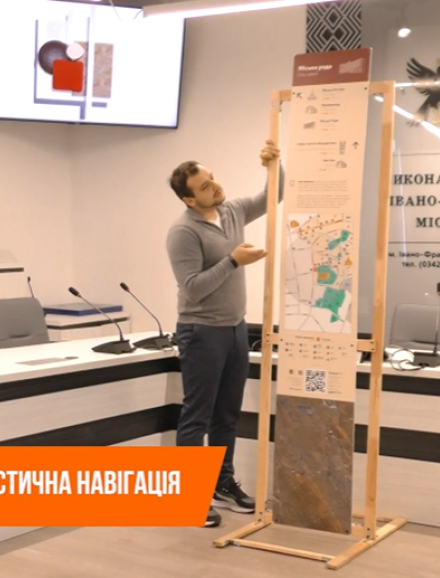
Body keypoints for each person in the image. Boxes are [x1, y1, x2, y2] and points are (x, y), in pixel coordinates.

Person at [166, 140, 282, 528]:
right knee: (197, 417)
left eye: (212, 178)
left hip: (235, 329)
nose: (214, 186)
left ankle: (221, 483)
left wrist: (273, 164)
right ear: (189, 199)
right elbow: (193, 288)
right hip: (201, 332)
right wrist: (233, 260)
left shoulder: (231, 210)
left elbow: (273, 195)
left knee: (227, 416)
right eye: (204, 186)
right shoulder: (183, 232)